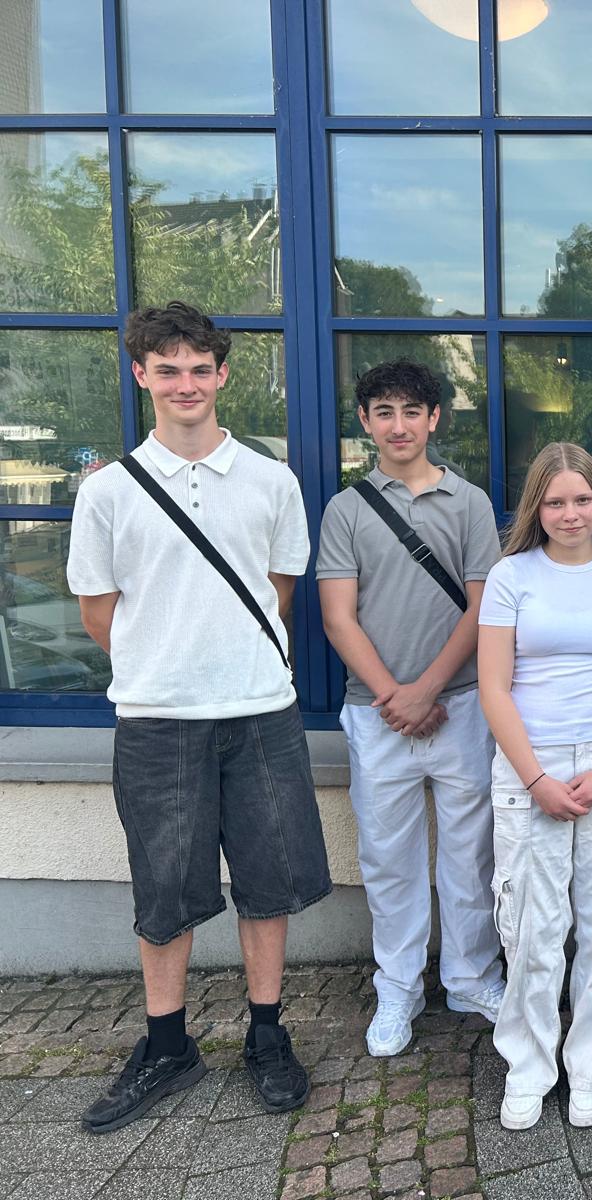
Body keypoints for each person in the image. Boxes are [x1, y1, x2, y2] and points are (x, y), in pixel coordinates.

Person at [67, 302, 330, 1132]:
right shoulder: (107, 492)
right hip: (156, 717)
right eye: (167, 369)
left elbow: (277, 593)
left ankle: (266, 1033)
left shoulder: (272, 481)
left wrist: (222, 659)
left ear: (222, 374)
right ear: (140, 375)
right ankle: (167, 1044)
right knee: (164, 891)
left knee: (268, 882)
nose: (186, 383)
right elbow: (99, 612)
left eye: (199, 369)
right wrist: (169, 663)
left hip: (260, 711)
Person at [317, 359, 506, 1058]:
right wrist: (396, 696)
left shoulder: (471, 503)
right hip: (376, 714)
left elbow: (484, 609)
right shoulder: (346, 509)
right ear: (366, 422)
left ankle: (470, 977)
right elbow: (338, 617)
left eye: (411, 411)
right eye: (384, 412)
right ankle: (397, 988)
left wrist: (428, 688)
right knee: (388, 859)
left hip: (462, 704)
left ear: (434, 418)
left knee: (471, 854)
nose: (399, 426)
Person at [477, 443, 592, 1131]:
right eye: (555, 501)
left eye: (582, 499)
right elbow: (494, 688)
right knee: (532, 927)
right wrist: (536, 779)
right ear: (536, 507)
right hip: (532, 768)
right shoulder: (510, 577)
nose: (570, 513)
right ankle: (528, 1066)